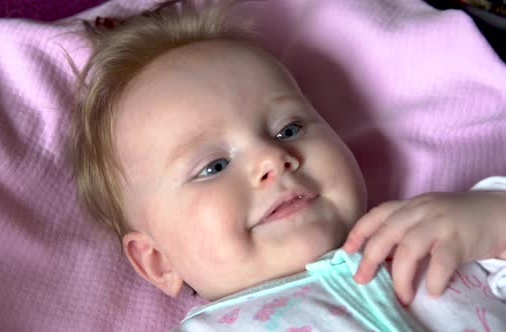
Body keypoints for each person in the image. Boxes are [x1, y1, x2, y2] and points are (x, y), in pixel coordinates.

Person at [70, 1, 506, 330]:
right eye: (214, 166)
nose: (271, 158)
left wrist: (492, 221)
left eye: (289, 130)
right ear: (158, 261)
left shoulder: (434, 239)